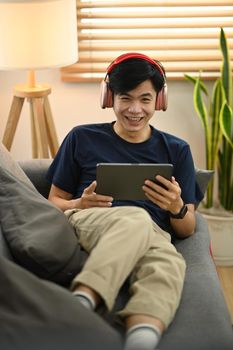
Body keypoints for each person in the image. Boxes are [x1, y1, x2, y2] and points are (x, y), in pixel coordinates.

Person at [47, 52, 203, 350]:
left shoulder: (177, 150)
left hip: (152, 233)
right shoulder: (82, 137)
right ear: (110, 97)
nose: (135, 109)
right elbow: (53, 201)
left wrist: (176, 208)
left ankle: (141, 337)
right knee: (136, 217)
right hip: (92, 220)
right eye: (125, 98)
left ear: (159, 100)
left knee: (168, 263)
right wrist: (78, 204)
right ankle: (82, 301)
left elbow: (186, 229)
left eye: (145, 99)